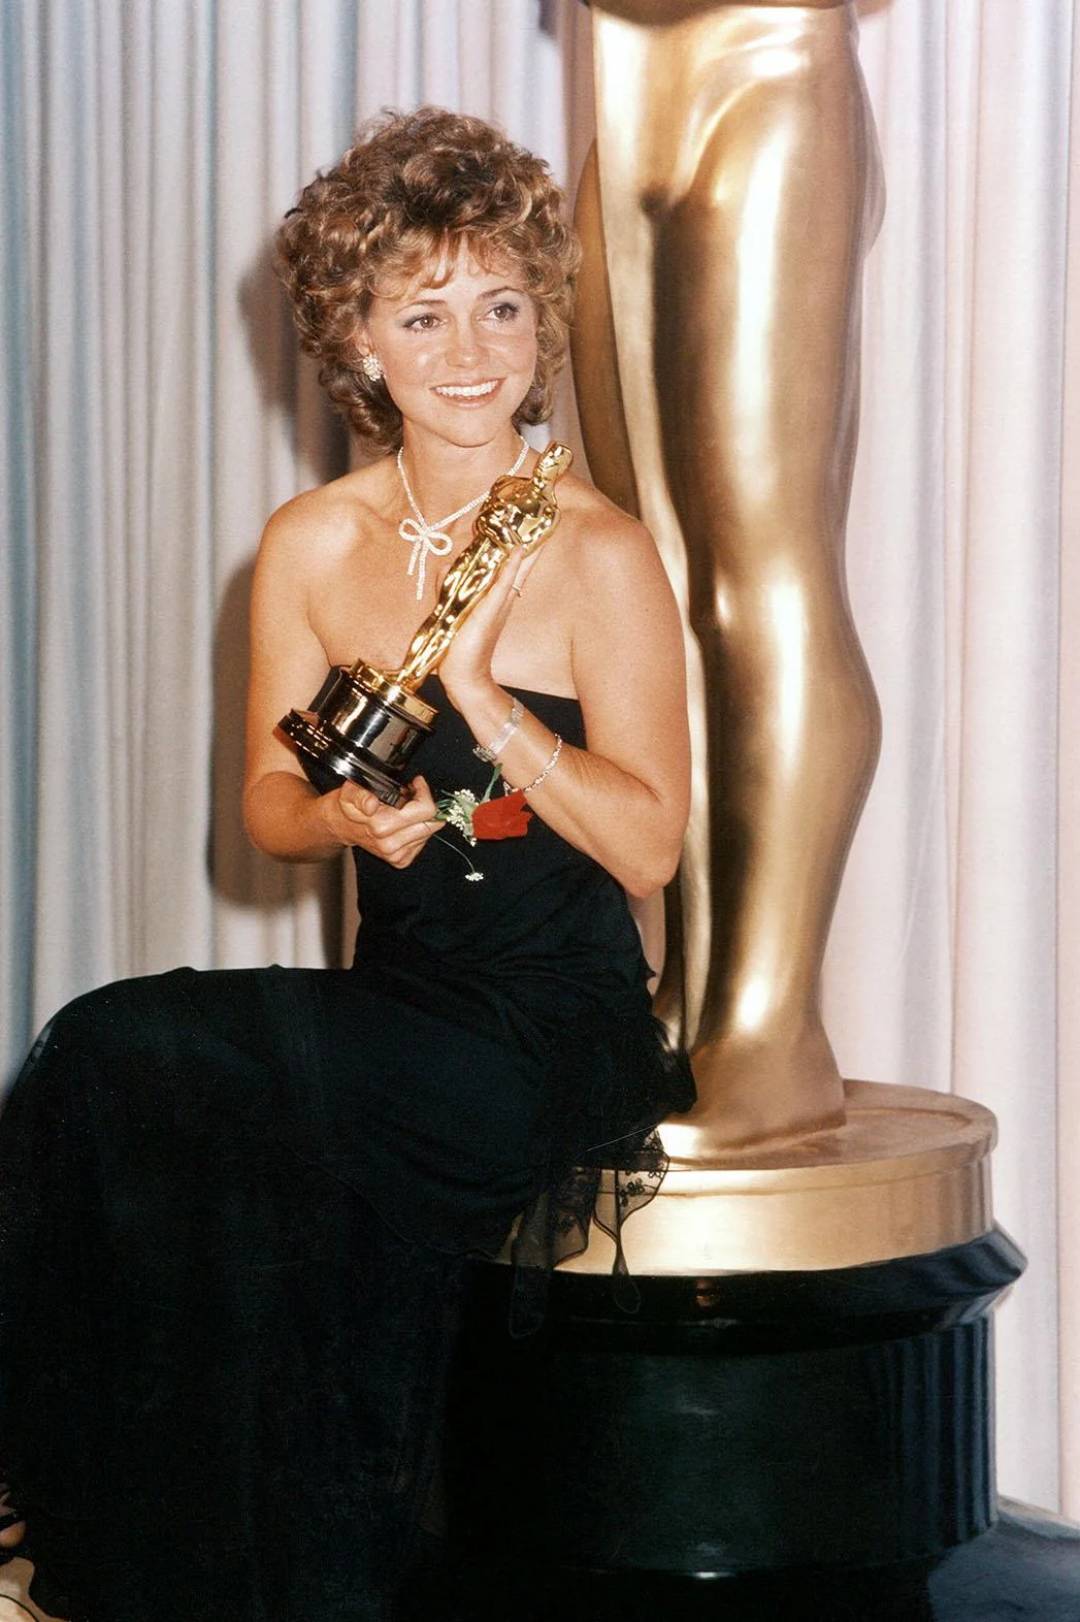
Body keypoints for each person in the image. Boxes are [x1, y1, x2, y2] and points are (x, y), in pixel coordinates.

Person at [0, 107, 693, 1622]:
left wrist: (495, 711)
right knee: (159, 1123)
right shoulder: (311, 543)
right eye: (424, 312)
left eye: (502, 305)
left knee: (125, 1049)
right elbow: (264, 799)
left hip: (547, 1035)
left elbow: (653, 839)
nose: (472, 349)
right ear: (358, 337)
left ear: (538, 317)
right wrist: (342, 821)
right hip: (392, 1012)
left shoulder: (596, 547)